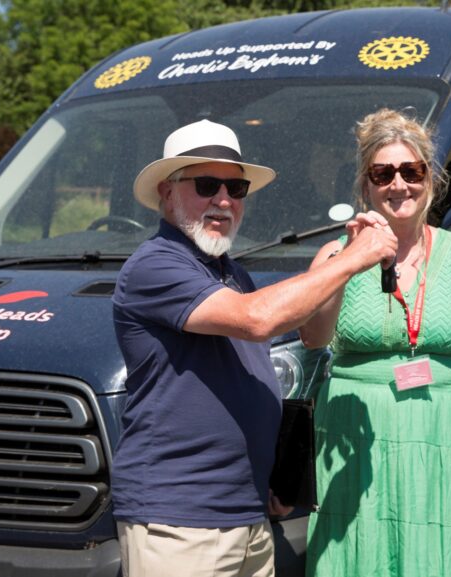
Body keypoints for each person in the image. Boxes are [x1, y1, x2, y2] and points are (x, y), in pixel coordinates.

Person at [111, 119, 397, 577]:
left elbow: (315, 335)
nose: (223, 200)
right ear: (167, 192)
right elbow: (258, 320)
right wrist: (352, 259)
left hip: (244, 512)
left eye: (236, 187)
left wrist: (336, 263)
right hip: (179, 524)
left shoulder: (229, 273)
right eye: (206, 184)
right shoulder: (155, 265)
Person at [299, 109, 451, 577]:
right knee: (356, 556)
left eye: (412, 171)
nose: (399, 185)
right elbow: (313, 336)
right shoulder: (334, 255)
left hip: (438, 437)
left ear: (431, 179)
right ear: (366, 186)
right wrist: (348, 263)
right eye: (383, 173)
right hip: (352, 438)